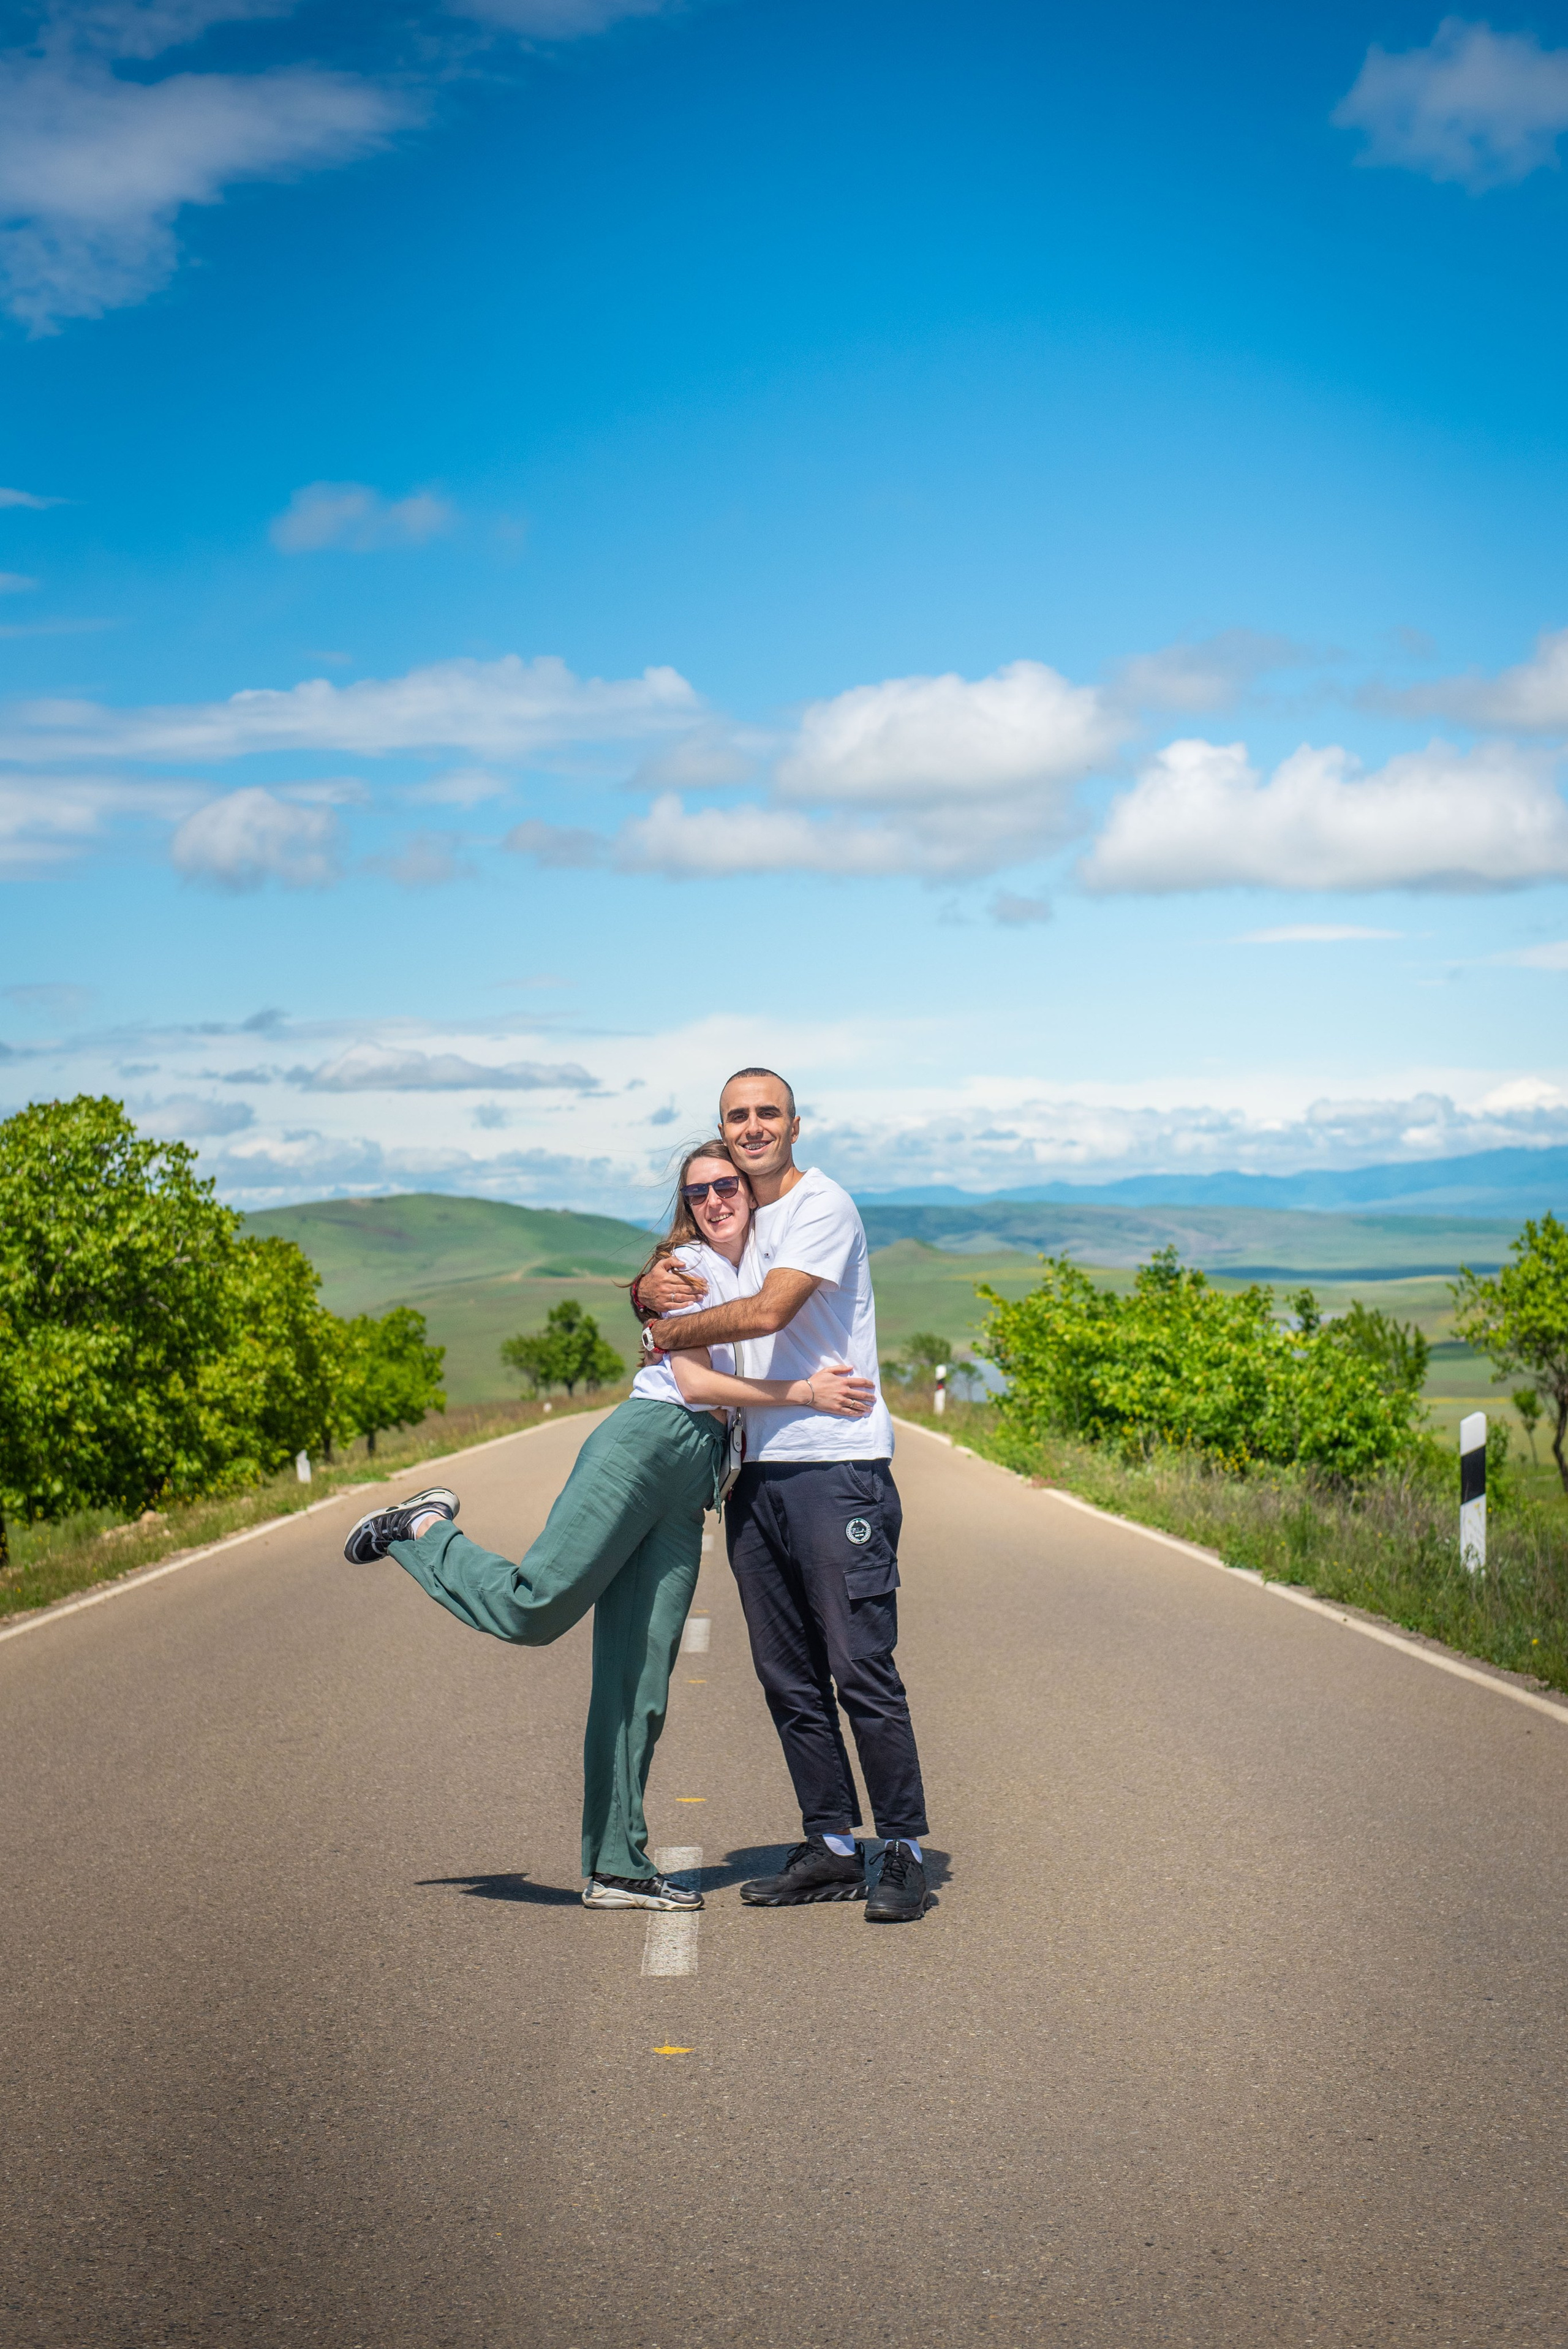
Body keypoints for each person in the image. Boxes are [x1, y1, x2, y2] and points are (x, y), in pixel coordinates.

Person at [341, 1139, 875, 1912]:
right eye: (698, 1192)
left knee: (639, 1678)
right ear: (685, 1206)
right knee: (534, 1606)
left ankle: (616, 1866)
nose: (715, 1200)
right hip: (647, 1442)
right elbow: (694, 1381)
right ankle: (421, 1531)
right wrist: (802, 1393)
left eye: (727, 1185)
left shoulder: (767, 1260)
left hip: (692, 1480)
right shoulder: (685, 1268)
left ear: (752, 1189)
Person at [635, 1066, 931, 1924]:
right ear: (723, 1130)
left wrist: (662, 1328)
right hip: (756, 1472)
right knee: (788, 1674)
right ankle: (831, 1842)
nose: (753, 1126)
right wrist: (647, 1292)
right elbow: (680, 1274)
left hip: (837, 1464)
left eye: (768, 1112)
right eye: (738, 1116)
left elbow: (768, 1313)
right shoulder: (738, 1216)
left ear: (796, 1124)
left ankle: (903, 1848)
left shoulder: (820, 1205)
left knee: (859, 1665)